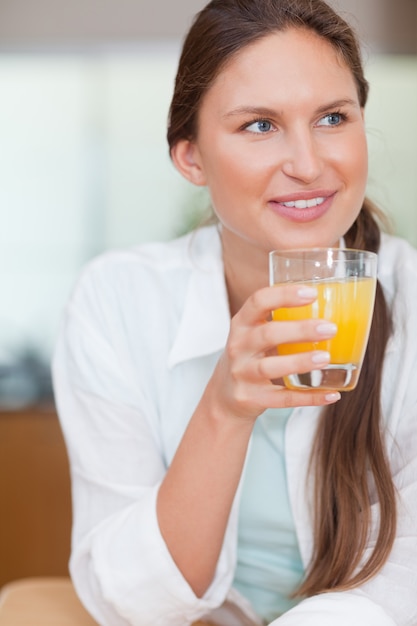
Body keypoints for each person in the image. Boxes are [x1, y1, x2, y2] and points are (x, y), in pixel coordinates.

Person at [52, 0, 417, 624]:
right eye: (259, 125)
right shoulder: (116, 301)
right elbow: (129, 600)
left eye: (332, 117)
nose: (307, 165)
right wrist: (224, 407)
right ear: (191, 157)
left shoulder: (408, 297)